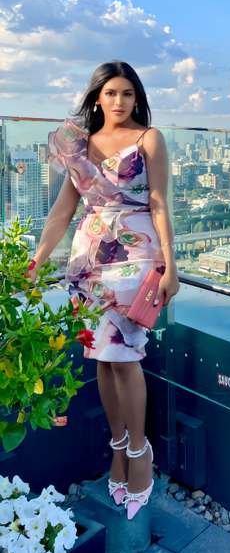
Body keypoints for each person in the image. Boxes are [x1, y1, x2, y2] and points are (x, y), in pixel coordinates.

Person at [28, 60, 180, 520]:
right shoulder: (79, 145)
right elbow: (62, 211)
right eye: (111, 93)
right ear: (97, 97)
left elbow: (159, 203)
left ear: (137, 99)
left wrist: (171, 266)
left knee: (126, 358)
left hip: (135, 256)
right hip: (88, 259)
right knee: (101, 358)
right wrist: (37, 260)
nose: (119, 101)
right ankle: (118, 447)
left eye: (128, 93)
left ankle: (139, 453)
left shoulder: (148, 139)